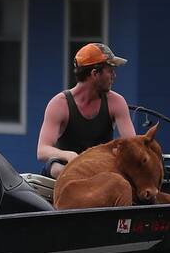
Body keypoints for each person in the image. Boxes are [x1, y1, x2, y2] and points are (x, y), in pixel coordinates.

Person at [36, 43, 136, 178]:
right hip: (68, 168)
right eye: (110, 71)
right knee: (55, 168)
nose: (114, 76)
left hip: (102, 168)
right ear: (95, 74)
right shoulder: (60, 104)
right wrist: (69, 155)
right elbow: (42, 150)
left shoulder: (116, 102)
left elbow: (133, 146)